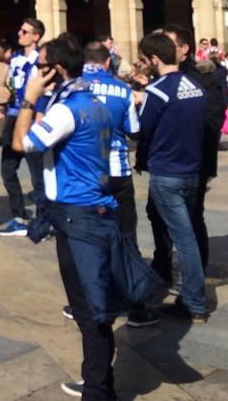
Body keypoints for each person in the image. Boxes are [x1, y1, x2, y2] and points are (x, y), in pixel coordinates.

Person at [12, 35, 150, 400]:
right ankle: (99, 384)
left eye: (41, 67)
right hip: (92, 207)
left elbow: (21, 143)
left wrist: (28, 96)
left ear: (56, 70)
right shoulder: (93, 100)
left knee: (90, 311)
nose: (36, 72)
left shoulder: (68, 108)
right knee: (94, 306)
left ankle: (98, 391)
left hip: (77, 216)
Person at [78, 41, 158, 329]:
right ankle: (135, 306)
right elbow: (134, 131)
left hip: (85, 175)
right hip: (117, 171)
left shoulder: (72, 88)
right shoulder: (122, 90)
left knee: (86, 239)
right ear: (108, 62)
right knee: (126, 236)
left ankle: (88, 304)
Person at [137, 30, 209, 323]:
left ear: (155, 58)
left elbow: (140, 131)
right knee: (186, 233)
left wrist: (136, 104)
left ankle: (193, 302)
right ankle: (184, 292)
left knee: (184, 239)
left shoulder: (157, 92)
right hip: (192, 170)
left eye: (146, 59)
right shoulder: (196, 86)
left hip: (167, 173)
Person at [162, 24, 228, 274]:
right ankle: (163, 267)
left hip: (194, 163)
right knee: (158, 217)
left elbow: (213, 121)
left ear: (184, 49)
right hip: (162, 164)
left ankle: (194, 278)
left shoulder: (202, 80)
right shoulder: (160, 80)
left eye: (167, 45)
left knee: (192, 218)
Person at [0, 17, 45, 237]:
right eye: (20, 30)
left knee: (37, 173)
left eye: (24, 32)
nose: (19, 34)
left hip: (32, 118)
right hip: (13, 116)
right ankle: (18, 215)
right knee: (7, 170)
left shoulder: (41, 61)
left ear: (36, 36)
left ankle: (44, 220)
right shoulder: (15, 58)